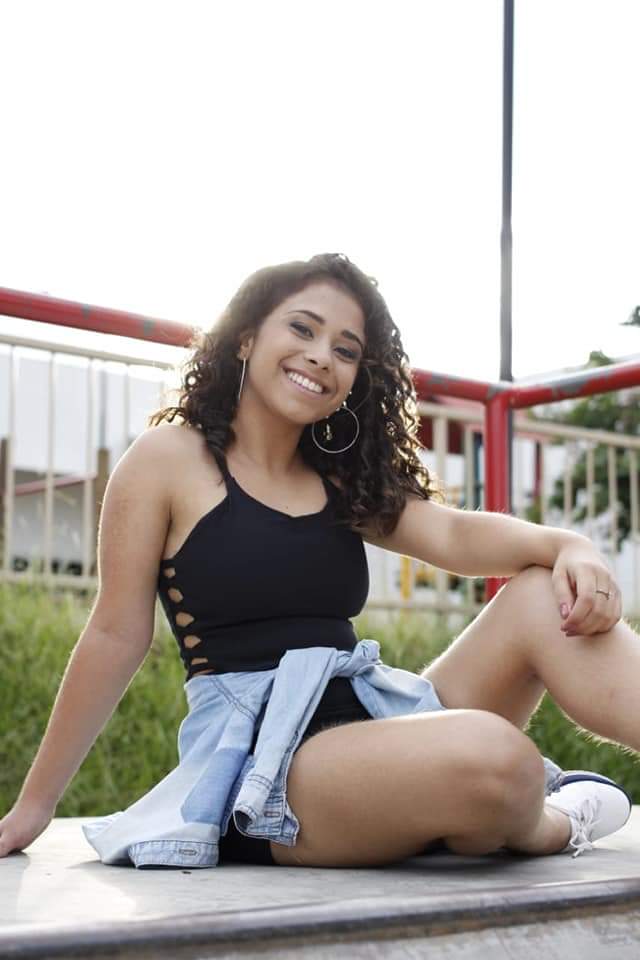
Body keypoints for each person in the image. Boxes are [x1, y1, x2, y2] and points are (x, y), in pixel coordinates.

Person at [0, 252, 636, 869]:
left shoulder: (338, 477)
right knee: (496, 758)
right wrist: (33, 807)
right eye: (302, 329)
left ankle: (461, 815)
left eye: (345, 350)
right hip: (266, 763)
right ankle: (555, 821)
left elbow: (454, 535)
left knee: (538, 594)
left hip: (377, 714)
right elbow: (115, 633)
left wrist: (568, 546)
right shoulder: (168, 459)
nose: (321, 356)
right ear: (246, 338)